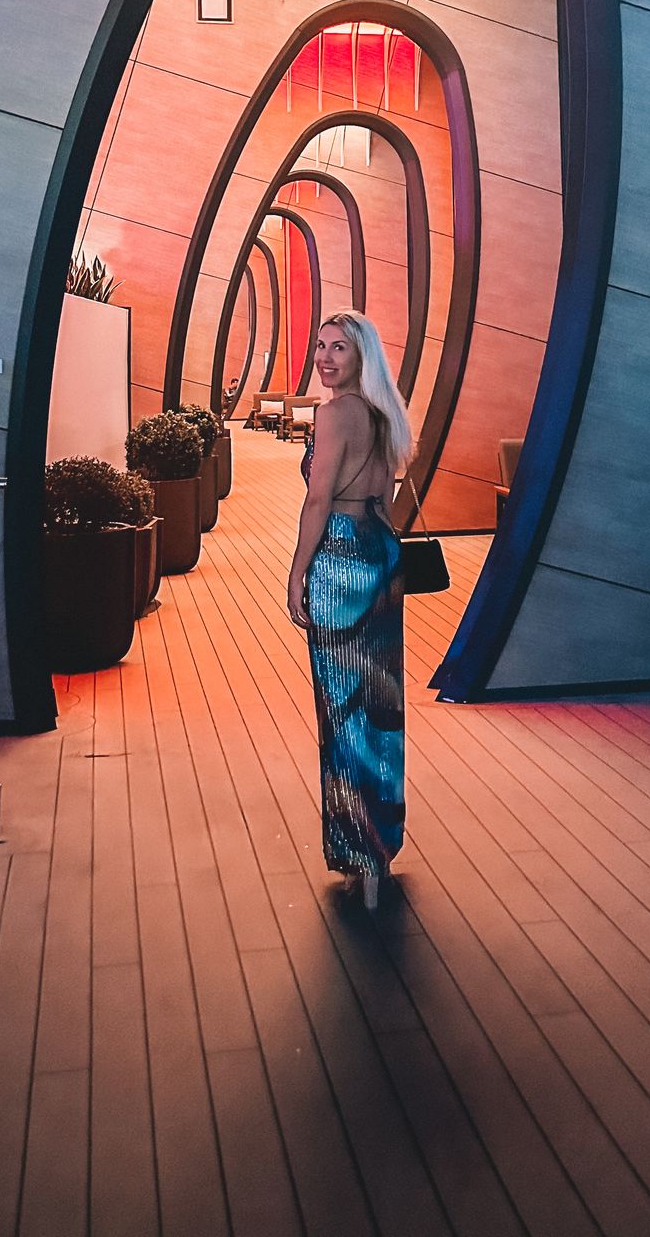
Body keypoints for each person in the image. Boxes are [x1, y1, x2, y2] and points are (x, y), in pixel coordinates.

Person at [287, 310, 413, 911]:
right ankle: (381, 845)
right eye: (321, 346)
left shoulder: (334, 414)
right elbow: (384, 500)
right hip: (381, 555)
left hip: (339, 558)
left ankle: (359, 857)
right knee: (381, 703)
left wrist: (297, 575)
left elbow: (318, 501)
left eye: (339, 347)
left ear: (362, 357)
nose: (326, 357)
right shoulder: (385, 416)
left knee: (342, 711)